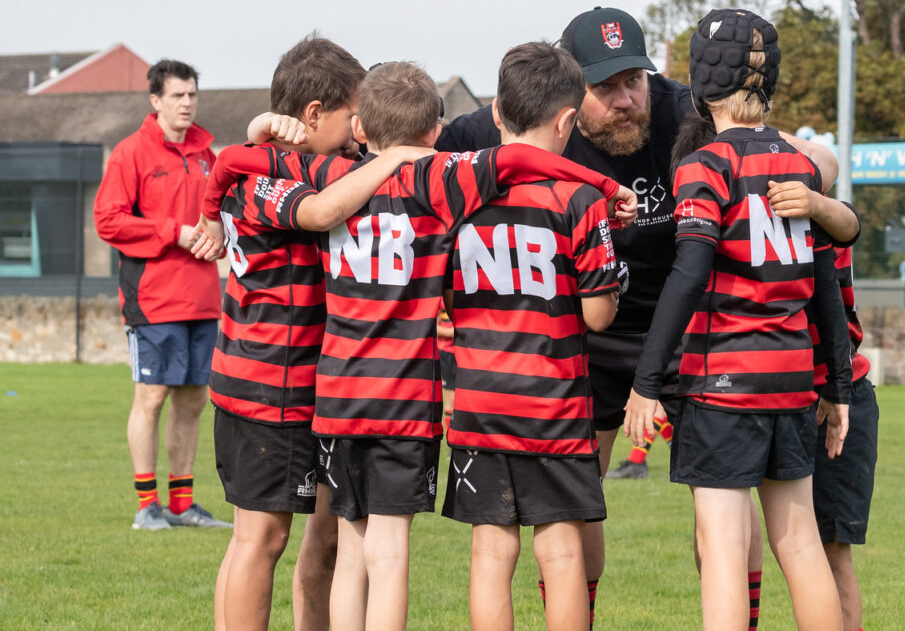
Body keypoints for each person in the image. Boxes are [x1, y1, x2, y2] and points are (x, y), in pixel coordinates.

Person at [436, 6, 855, 615]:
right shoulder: (522, 117)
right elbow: (411, 153)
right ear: (569, 94)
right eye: (605, 88)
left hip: (694, 334)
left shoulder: (687, 106)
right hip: (594, 332)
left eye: (634, 79)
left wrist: (815, 178)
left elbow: (806, 158)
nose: (626, 98)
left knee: (725, 513)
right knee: (578, 502)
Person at [195, 61, 636, 630]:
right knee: (389, 552)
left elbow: (234, 161)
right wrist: (602, 185)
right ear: (435, 132)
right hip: (403, 398)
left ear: (361, 129)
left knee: (350, 552)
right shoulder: (437, 182)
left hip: (334, 394)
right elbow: (522, 159)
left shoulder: (326, 175)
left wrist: (236, 168)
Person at [191, 36, 434, 631]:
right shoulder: (260, 172)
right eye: (353, 113)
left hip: (310, 388)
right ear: (313, 115)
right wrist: (396, 157)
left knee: (311, 541)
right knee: (261, 539)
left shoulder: (306, 163)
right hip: (265, 386)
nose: (359, 130)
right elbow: (319, 213)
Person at [624, 8, 852, 630]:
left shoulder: (706, 165)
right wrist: (835, 386)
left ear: (699, 87)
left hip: (723, 385)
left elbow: (689, 274)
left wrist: (646, 384)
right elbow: (825, 285)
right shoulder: (802, 167)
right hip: (790, 383)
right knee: (800, 544)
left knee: (723, 549)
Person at [441, 42, 625, 631]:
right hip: (554, 403)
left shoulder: (456, 194)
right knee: (562, 550)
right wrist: (611, 277)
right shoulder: (577, 199)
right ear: (569, 121)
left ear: (496, 112)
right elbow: (598, 316)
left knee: (492, 553)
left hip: (479, 400)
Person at [93, 59, 231, 531]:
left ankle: (182, 504)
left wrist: (220, 236)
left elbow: (221, 218)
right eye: (177, 95)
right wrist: (175, 231)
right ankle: (146, 506)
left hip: (203, 298)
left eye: (192, 94)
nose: (187, 103)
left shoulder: (208, 154)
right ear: (155, 101)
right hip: (152, 299)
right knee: (151, 398)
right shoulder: (131, 153)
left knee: (192, 401)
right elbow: (107, 220)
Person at [768, 181, 878, 631]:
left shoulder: (821, 214)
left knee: (831, 548)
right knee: (730, 535)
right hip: (760, 392)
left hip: (831, 395)